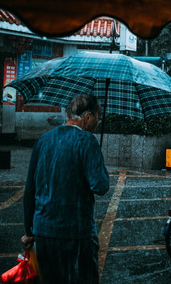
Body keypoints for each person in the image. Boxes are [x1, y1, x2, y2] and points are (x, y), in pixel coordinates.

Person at [22, 94, 109, 284]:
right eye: (98, 117)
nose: (97, 123)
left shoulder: (44, 140)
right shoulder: (87, 141)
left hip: (44, 232)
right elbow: (100, 186)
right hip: (77, 233)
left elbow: (30, 189)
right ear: (87, 117)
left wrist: (29, 231)